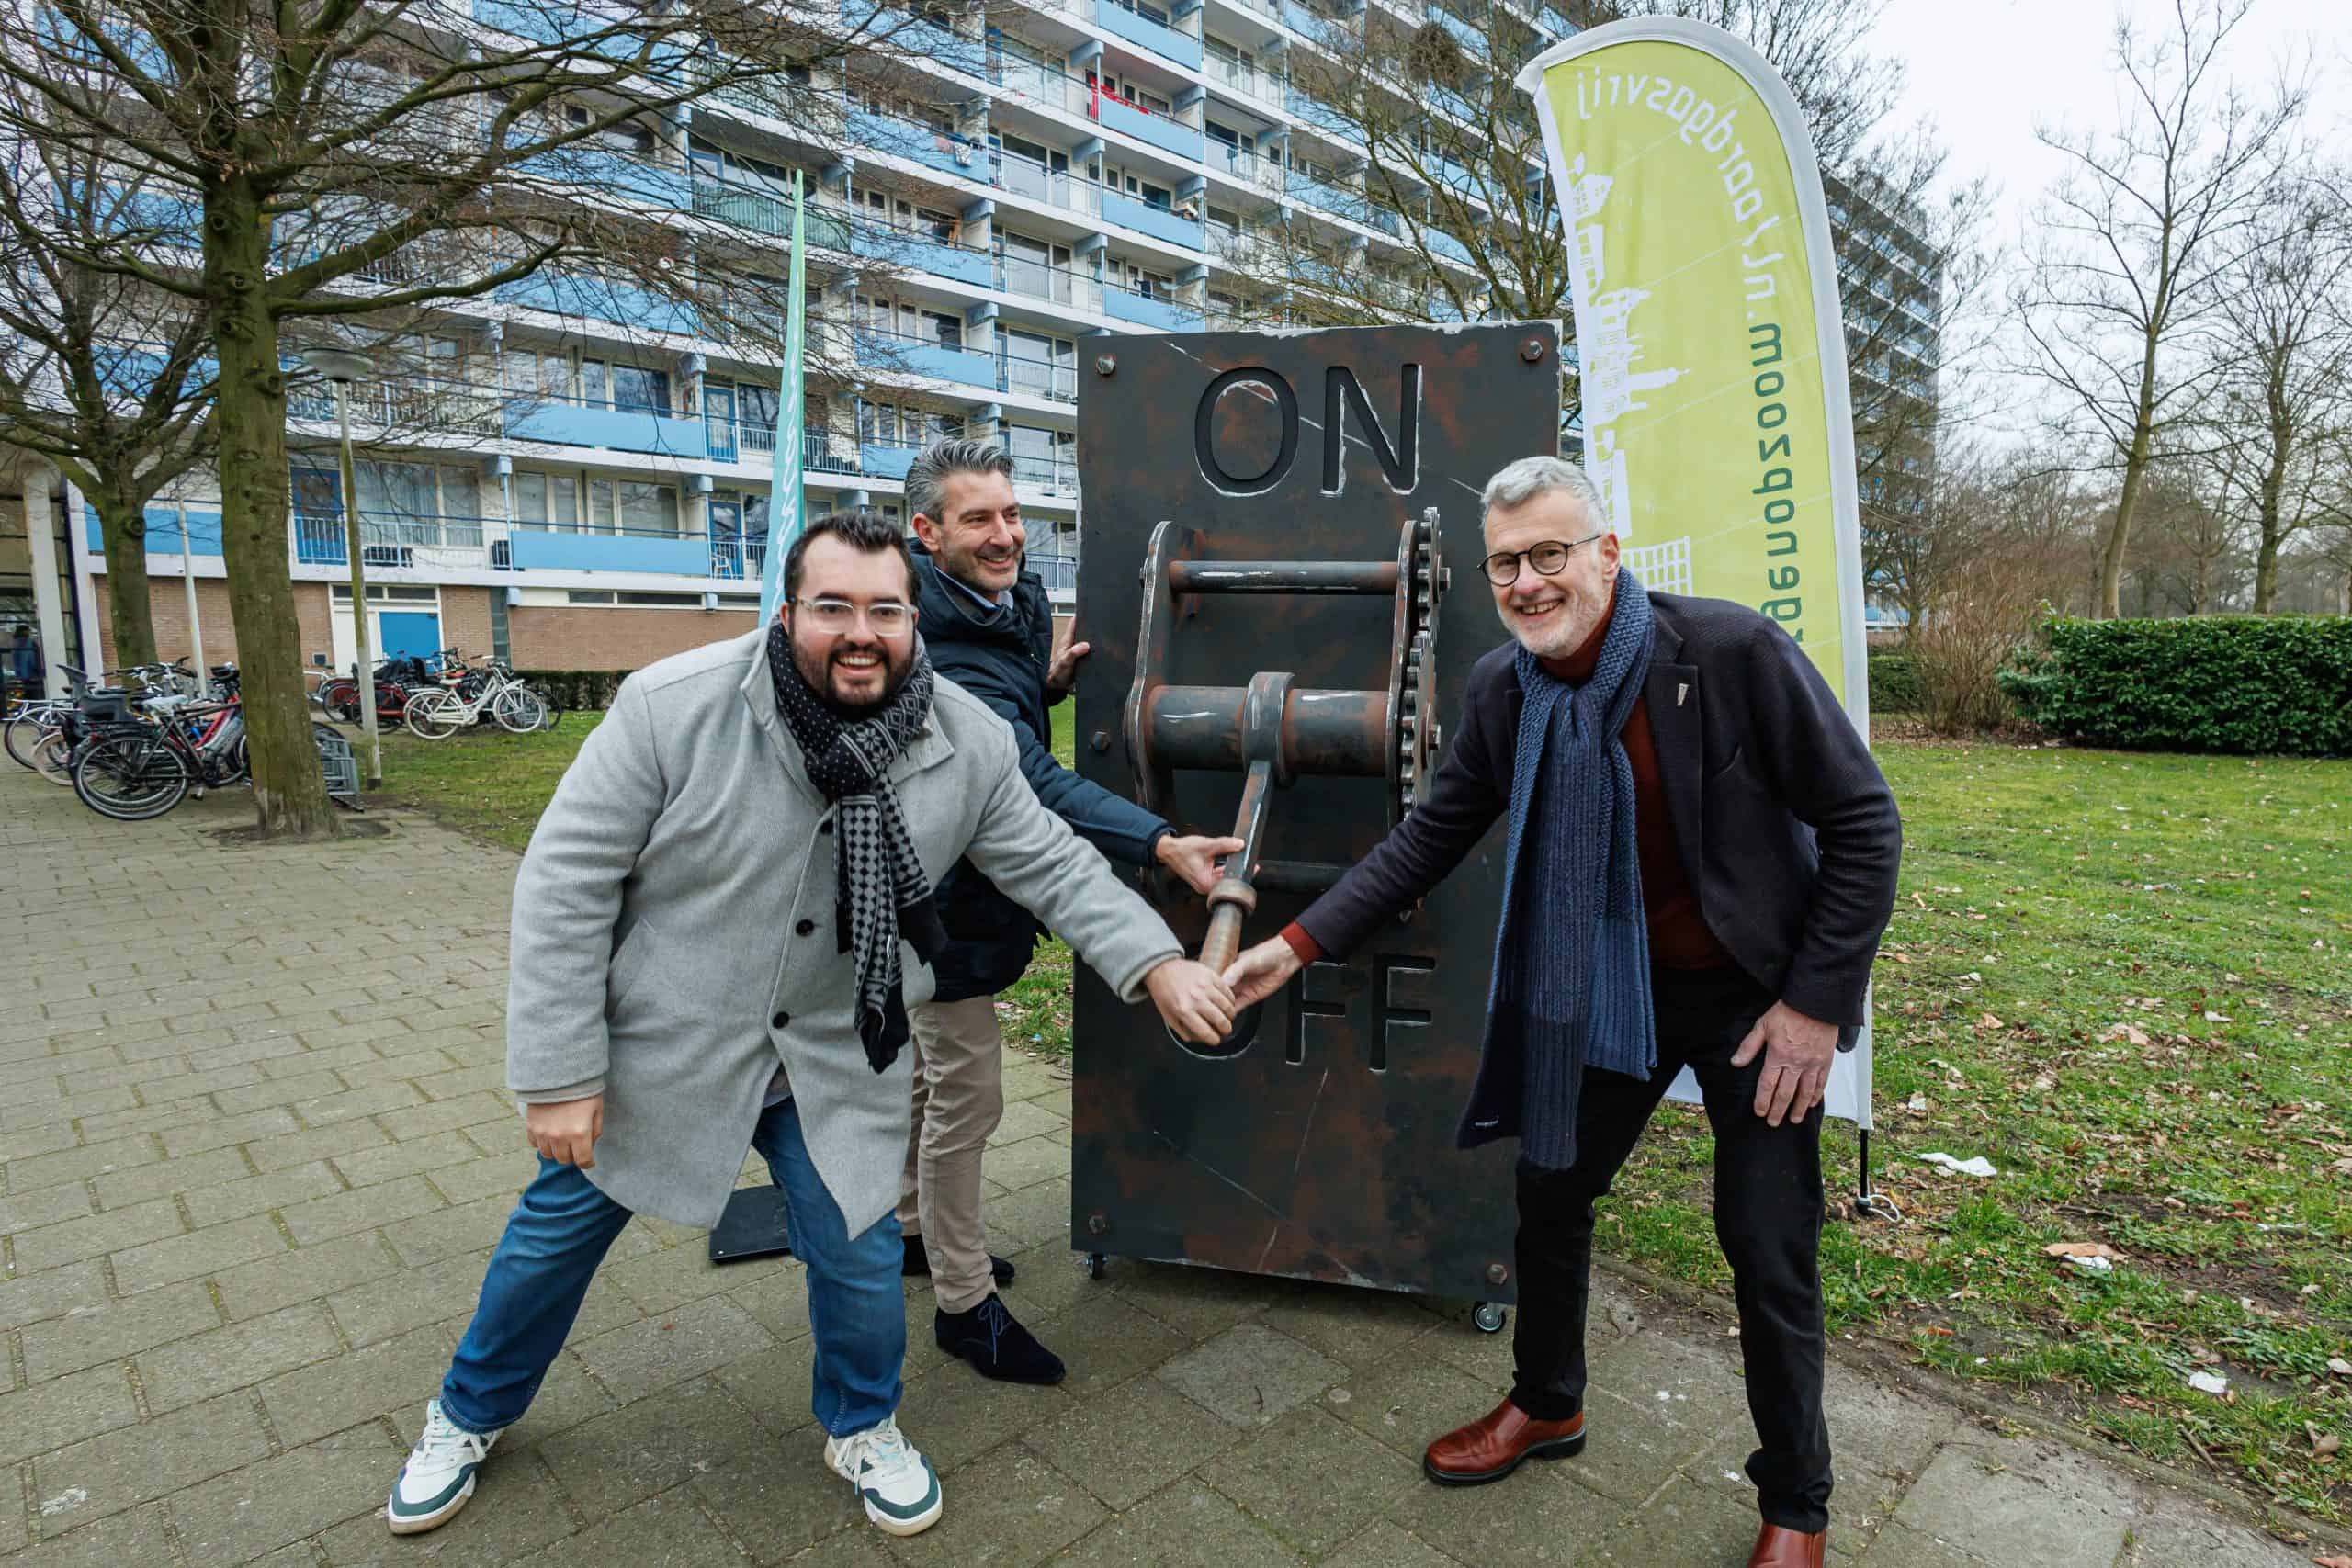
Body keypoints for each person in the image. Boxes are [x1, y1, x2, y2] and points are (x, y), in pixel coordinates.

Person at [386, 510, 1237, 1541]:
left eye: (885, 609)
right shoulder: (672, 708)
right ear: (788, 613)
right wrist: (562, 1074)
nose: (860, 631)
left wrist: (1153, 963)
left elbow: (1048, 859)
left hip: (837, 1043)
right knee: (554, 1238)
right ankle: (467, 1415)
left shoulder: (960, 736)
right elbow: (566, 884)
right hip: (668, 1039)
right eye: (833, 607)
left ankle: (863, 1423)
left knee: (861, 1253)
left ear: (914, 621)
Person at [1222, 457, 1901, 1568]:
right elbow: (1427, 839)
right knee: (1549, 1191)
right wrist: (1291, 949)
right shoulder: (1505, 688)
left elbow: (1866, 825)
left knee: (1765, 1242)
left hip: (1754, 999)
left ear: (1606, 553)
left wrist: (1813, 1009)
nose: (1530, 582)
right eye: (1507, 564)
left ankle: (1797, 1504)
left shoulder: (1727, 654)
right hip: (1603, 989)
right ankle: (1548, 1403)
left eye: (1550, 554)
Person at [898, 438, 1243, 1384]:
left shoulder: (998, 605)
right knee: (967, 1097)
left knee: (930, 1079)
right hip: (937, 908)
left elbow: (1004, 708)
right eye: (979, 520)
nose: (1006, 536)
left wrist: (1040, 685)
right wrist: (1160, 840)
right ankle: (964, 1306)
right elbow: (1024, 781)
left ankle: (907, 1232)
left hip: (956, 901)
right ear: (926, 534)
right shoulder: (931, 650)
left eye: (1011, 514)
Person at [6, 624, 39, 707]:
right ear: (24, 631)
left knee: (28, 696)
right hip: (31, 674)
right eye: (28, 630)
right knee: (34, 697)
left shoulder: (15, 642)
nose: (30, 632)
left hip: (24, 674)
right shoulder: (26, 642)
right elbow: (26, 658)